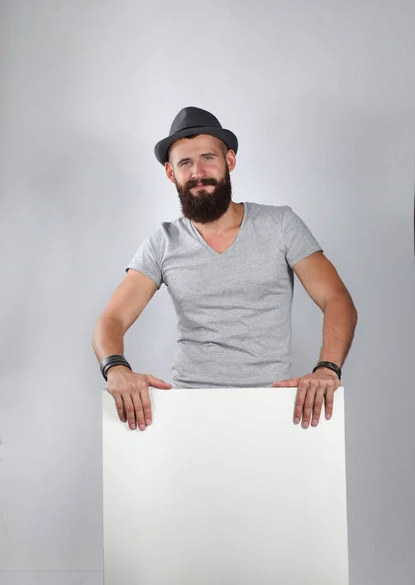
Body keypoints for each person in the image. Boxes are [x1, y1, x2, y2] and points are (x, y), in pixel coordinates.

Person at [92, 106, 358, 433]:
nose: (198, 172)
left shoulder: (280, 225)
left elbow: (337, 299)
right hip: (190, 408)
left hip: (273, 408)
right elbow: (112, 318)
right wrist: (116, 368)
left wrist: (327, 369)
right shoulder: (163, 242)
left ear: (229, 161)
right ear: (170, 173)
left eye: (208, 158)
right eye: (185, 163)